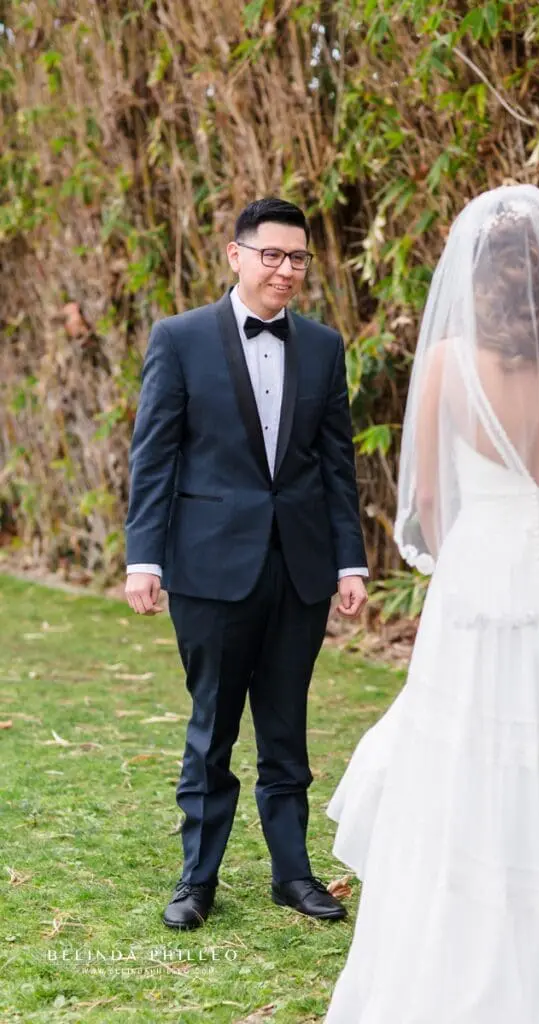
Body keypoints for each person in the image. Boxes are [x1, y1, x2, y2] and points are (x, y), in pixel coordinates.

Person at [325, 184, 539, 1023]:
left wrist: (495, 521)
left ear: (476, 279)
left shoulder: (446, 362)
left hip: (479, 584)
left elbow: (431, 506)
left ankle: (459, 960)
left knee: (468, 767)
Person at [125, 197, 369, 930]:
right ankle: (197, 879)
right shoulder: (179, 338)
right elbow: (154, 458)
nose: (286, 270)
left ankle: (292, 875)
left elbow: (335, 467)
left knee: (286, 729)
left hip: (299, 567)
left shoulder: (324, 347)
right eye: (272, 255)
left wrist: (349, 563)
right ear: (235, 255)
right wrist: (144, 558)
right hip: (207, 567)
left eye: (297, 258)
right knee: (212, 728)